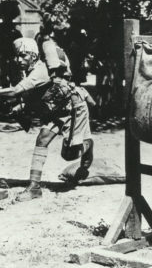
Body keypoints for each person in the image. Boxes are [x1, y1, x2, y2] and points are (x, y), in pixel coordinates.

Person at [0, 38, 95, 202]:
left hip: (74, 109)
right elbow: (35, 95)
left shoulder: (40, 71)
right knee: (42, 140)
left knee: (70, 154)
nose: (19, 60)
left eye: (23, 56)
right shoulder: (29, 71)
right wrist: (20, 107)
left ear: (33, 55)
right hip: (57, 113)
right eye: (17, 56)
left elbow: (15, 91)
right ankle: (34, 187)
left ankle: (87, 146)